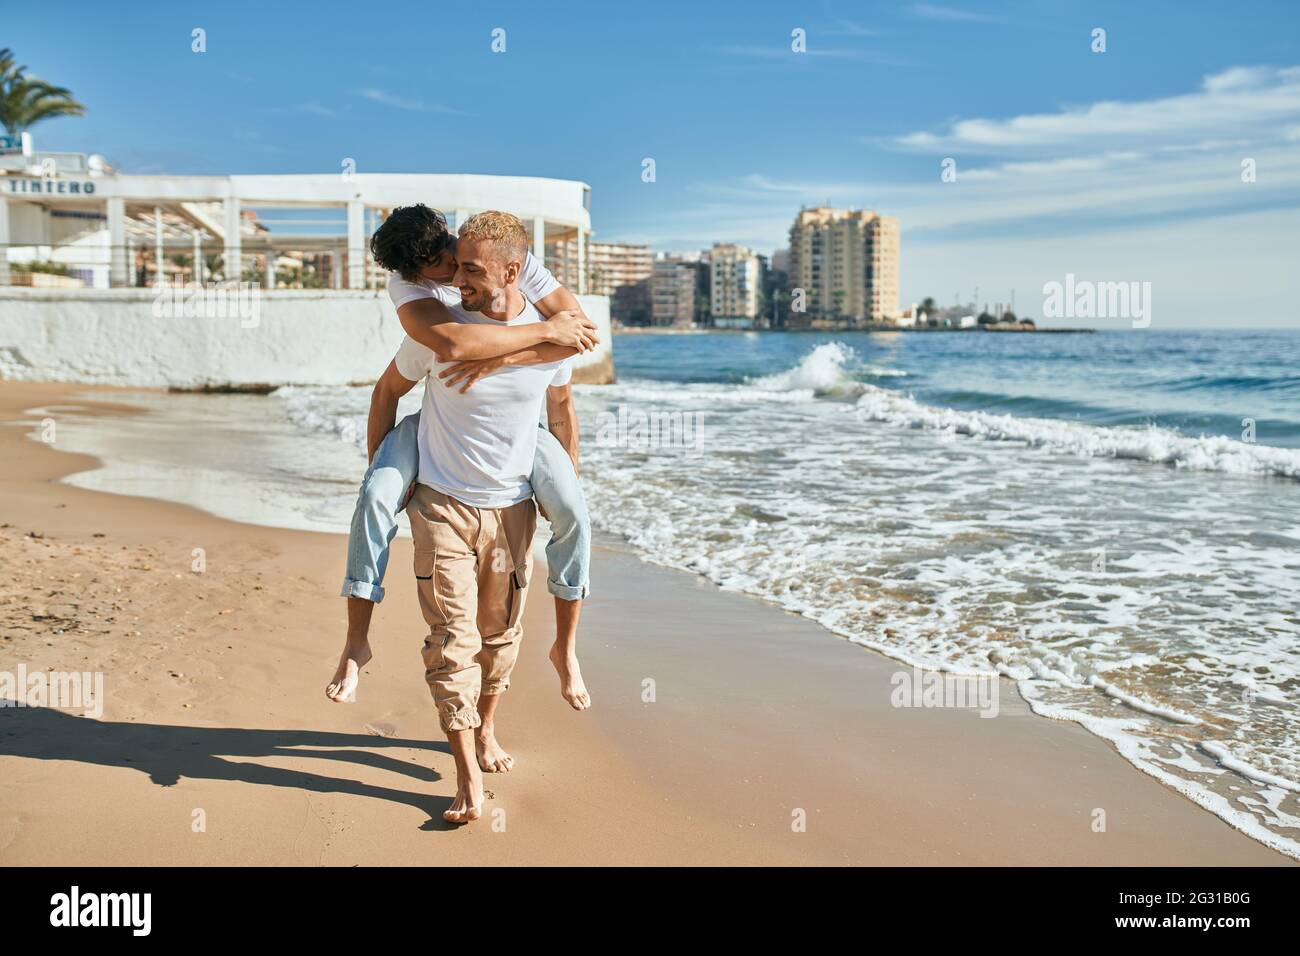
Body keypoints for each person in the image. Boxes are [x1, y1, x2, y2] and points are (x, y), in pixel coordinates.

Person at [325, 205, 594, 720]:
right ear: (412, 274)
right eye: (438, 265)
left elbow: (576, 331)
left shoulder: (496, 256)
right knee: (376, 498)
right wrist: (385, 468)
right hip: (437, 416)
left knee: (575, 512)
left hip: (521, 428)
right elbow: (449, 345)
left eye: (452, 252)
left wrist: (505, 358)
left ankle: (565, 647)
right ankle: (357, 641)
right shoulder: (410, 291)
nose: (453, 268)